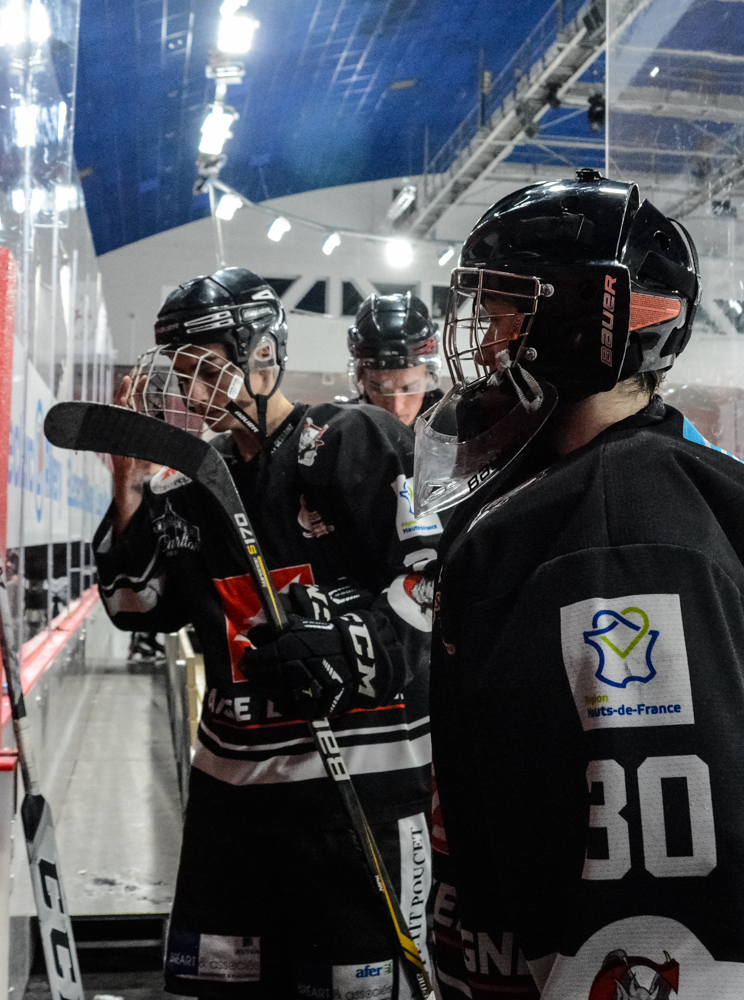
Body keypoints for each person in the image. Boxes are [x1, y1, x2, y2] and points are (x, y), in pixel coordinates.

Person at [419, 170, 744, 999]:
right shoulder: (586, 493)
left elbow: (679, 867)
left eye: (503, 310)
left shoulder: (625, 529)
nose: (480, 344)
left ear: (582, 321)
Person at [92, 266, 441, 998]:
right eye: (179, 371)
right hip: (232, 798)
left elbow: (429, 585)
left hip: (357, 790)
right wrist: (128, 485)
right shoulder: (186, 483)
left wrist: (350, 647)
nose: (190, 390)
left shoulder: (352, 439)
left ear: (261, 353)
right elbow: (135, 604)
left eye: (204, 366)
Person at [342, 292, 444, 426]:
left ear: (429, 376)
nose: (396, 408)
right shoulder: (342, 429)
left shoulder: (457, 428)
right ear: (362, 378)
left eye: (409, 388)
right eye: (380, 389)